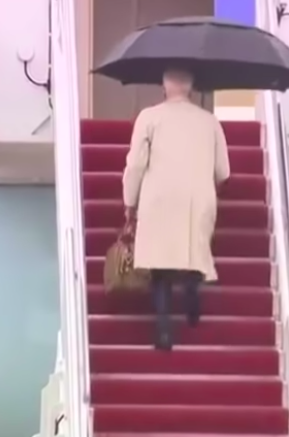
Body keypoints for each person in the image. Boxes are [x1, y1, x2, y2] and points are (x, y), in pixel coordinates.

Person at [122, 67, 231, 351]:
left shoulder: (149, 117)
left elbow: (135, 165)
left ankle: (164, 331)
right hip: (198, 198)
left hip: (159, 197)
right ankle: (192, 296)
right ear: (191, 87)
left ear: (164, 86)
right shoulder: (209, 121)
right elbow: (223, 171)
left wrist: (129, 202)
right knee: (193, 252)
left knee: (160, 266)